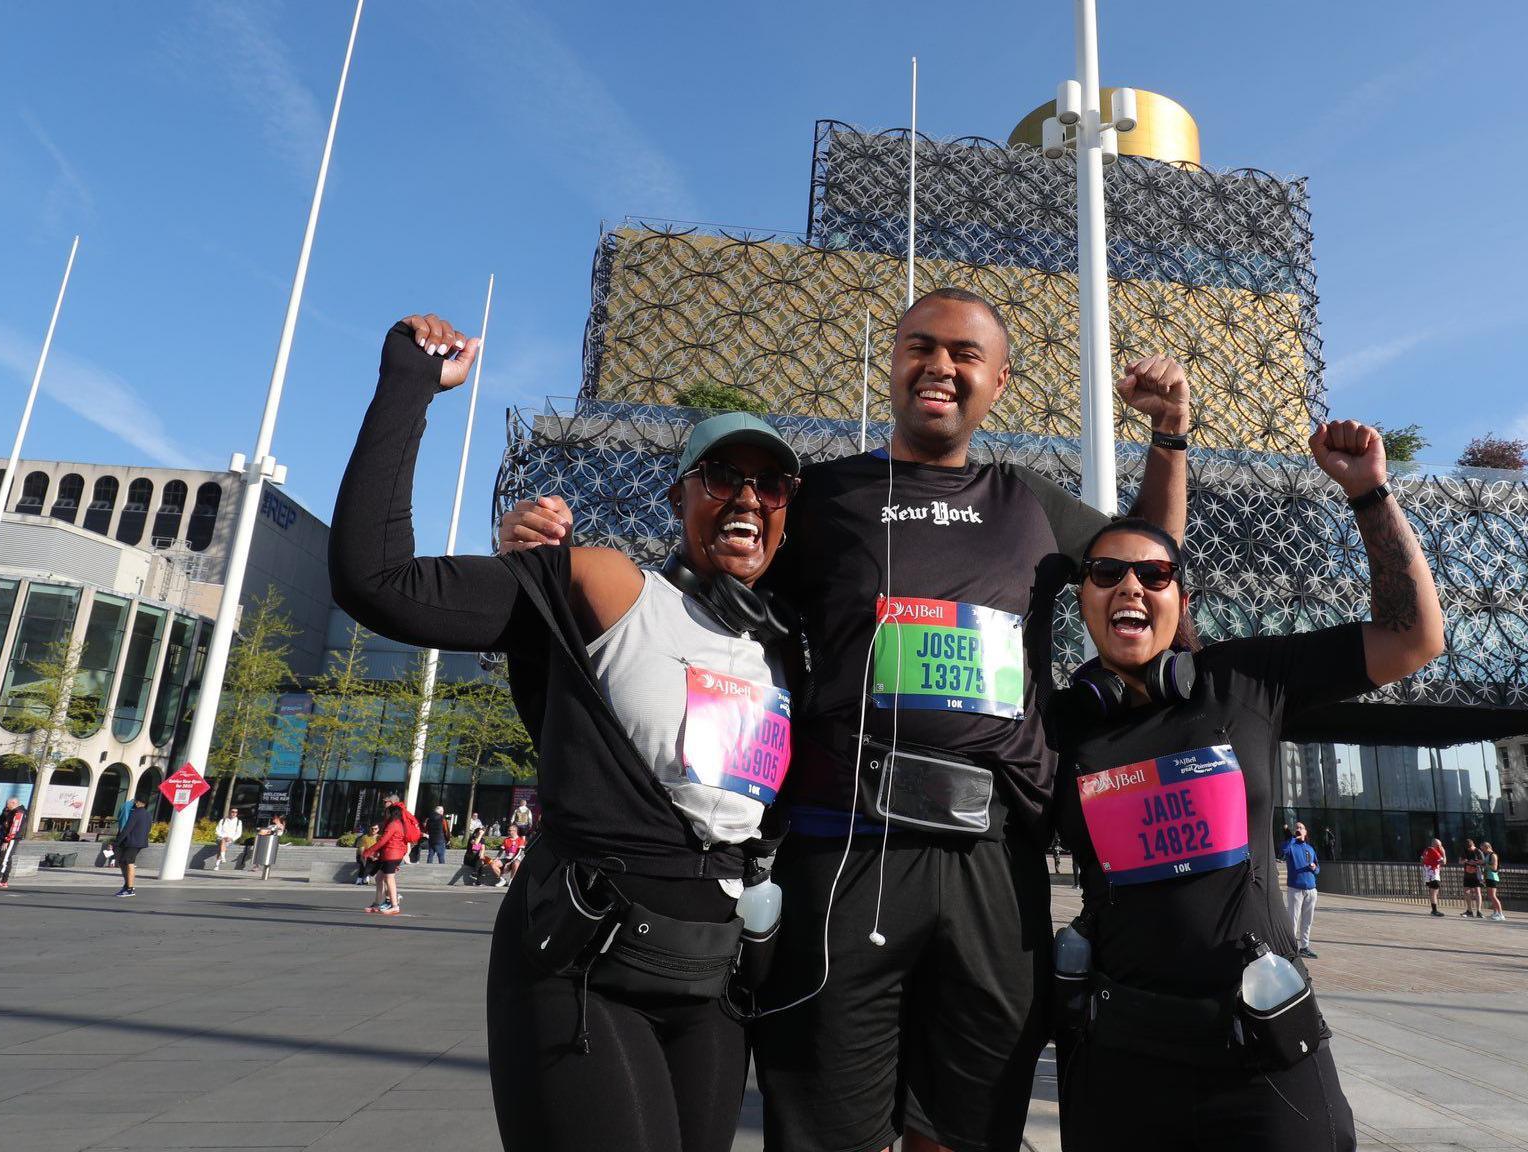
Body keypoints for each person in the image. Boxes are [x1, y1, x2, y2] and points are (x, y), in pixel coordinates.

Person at [497, 287, 1193, 1152]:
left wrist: (1166, 439)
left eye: (965, 354)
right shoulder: (819, 498)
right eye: (921, 347)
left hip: (994, 864)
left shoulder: (1031, 506)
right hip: (847, 852)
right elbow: (698, 590)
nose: (940, 366)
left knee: (965, 1134)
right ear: (894, 363)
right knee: (830, 1132)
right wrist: (550, 566)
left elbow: (1150, 569)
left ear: (1000, 380)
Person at [331, 312, 803, 1152]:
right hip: (585, 966)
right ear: (679, 496)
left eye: (771, 486)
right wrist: (409, 386)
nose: (746, 497)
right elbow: (377, 581)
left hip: (714, 984)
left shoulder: (788, 649)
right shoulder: (616, 588)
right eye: (721, 474)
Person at [1046, 416, 1445, 1152]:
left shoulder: (1244, 681)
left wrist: (1368, 494)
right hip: (1120, 1061)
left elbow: (1414, 636)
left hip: (1263, 1053)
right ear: (1083, 602)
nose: (1130, 585)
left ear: (1182, 602)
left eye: (1153, 575)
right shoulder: (1061, 725)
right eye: (1106, 574)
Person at [362, 794, 418, 916]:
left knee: (389, 878)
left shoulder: (394, 824)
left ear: (392, 811)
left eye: (387, 810)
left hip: (391, 854)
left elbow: (383, 840)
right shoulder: (399, 823)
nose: (385, 812)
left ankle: (394, 905)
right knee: (379, 878)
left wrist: (369, 851)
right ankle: (378, 904)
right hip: (391, 853)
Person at [1279, 820, 1322, 958]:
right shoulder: (1291, 846)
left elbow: (1317, 867)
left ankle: (1304, 947)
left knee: (1307, 920)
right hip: (1295, 889)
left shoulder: (1310, 848)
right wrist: (1292, 838)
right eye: (1296, 827)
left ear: (1305, 831)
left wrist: (1315, 869)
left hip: (1311, 889)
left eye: (1301, 827)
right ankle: (1290, 947)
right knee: (1293, 919)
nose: (1298, 829)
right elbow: (1283, 850)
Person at [0, 796, 28, 890]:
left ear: (14, 803)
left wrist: (7, 840)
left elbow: (14, 828)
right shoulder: (10, 812)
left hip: (11, 839)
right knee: (7, 859)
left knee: (4, 860)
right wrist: (0, 827)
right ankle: (4, 881)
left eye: (8, 804)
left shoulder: (18, 813)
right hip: (7, 837)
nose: (7, 806)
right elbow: (4, 822)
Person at [111, 798, 151, 897]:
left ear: (140, 803)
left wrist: (117, 842)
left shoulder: (135, 813)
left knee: (129, 862)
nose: (134, 803)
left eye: (136, 801)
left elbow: (127, 828)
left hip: (132, 842)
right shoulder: (148, 814)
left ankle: (129, 889)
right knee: (123, 861)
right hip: (139, 842)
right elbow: (148, 828)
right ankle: (127, 885)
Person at [1458, 838, 1485, 918]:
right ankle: (1469, 910)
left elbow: (1483, 861)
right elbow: (1460, 861)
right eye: (1468, 848)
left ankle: (1479, 911)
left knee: (1477, 892)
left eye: (1471, 847)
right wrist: (1465, 861)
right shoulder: (1465, 850)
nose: (1470, 849)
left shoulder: (1478, 851)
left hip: (1476, 874)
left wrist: (1475, 862)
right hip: (1467, 874)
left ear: (1473, 845)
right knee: (1466, 891)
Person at [1481, 839, 1505, 921]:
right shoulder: (1488, 855)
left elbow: (1494, 867)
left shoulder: (1493, 855)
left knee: (1493, 896)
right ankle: (1495, 912)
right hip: (1488, 877)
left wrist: (1485, 865)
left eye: (1483, 849)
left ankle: (1501, 914)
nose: (1483, 851)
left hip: (1492, 877)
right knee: (1491, 896)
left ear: (1487, 847)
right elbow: (1486, 863)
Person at [1422, 838, 1446, 916]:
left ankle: (1434, 909)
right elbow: (1444, 862)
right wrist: (1443, 853)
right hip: (1433, 874)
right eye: (1439, 845)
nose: (1440, 847)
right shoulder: (1433, 850)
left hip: (1428, 874)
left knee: (1433, 892)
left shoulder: (1427, 850)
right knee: (1434, 892)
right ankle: (1434, 910)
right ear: (1434, 845)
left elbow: (1422, 859)